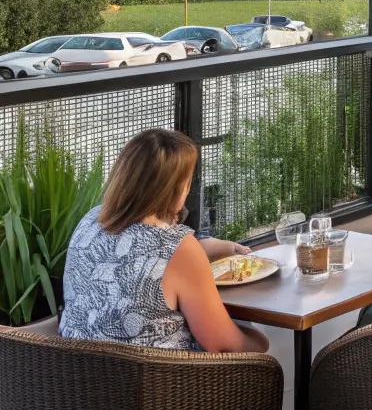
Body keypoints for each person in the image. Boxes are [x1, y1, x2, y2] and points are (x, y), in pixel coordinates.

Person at [60, 128, 269, 353]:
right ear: (173, 189)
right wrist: (263, 343)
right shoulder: (177, 247)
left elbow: (139, 257)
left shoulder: (92, 220)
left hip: (73, 378)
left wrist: (226, 248)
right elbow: (223, 345)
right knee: (260, 343)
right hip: (156, 383)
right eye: (188, 182)